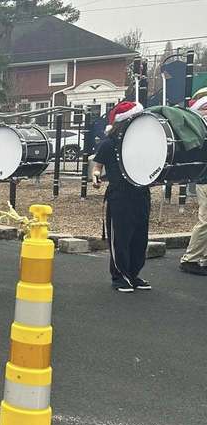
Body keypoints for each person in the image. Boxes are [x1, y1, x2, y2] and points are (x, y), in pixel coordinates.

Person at [92, 100, 152, 292]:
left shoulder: (142, 144)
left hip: (141, 192)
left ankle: (133, 275)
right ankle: (119, 276)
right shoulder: (108, 144)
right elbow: (97, 167)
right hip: (120, 195)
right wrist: (95, 177)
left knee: (140, 237)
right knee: (121, 238)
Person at [179, 95, 207, 275]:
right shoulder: (200, 132)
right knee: (205, 222)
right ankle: (190, 259)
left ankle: (202, 257)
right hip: (205, 181)